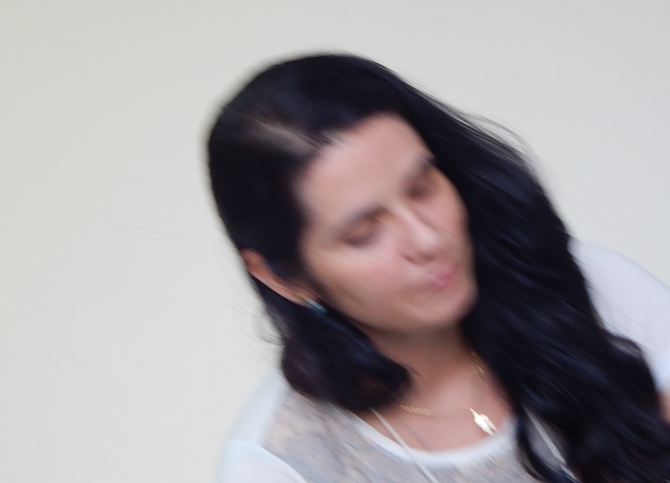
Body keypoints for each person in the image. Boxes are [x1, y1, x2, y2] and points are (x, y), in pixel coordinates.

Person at [206, 54, 670, 483]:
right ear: (284, 277)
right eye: (365, 232)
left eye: (422, 187)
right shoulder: (281, 463)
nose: (428, 240)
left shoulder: (591, 288)